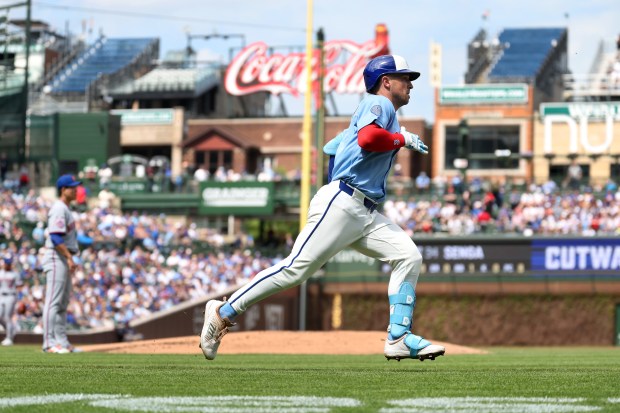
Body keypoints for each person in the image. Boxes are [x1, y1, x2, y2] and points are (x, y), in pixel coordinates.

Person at [200, 54, 445, 362]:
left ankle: (398, 336)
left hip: (364, 211)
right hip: (345, 202)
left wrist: (369, 145)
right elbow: (369, 139)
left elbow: (333, 149)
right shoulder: (378, 103)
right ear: (386, 82)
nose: (410, 83)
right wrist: (400, 139)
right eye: (404, 77)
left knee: (408, 256)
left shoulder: (382, 111)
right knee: (295, 270)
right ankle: (223, 312)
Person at [41, 175, 82, 354]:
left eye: (75, 187)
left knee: (62, 303)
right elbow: (55, 236)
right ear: (62, 190)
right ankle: (49, 343)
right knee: (53, 301)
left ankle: (61, 342)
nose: (75, 190)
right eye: (71, 187)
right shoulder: (58, 208)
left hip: (63, 257)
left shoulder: (65, 208)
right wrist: (68, 257)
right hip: (57, 256)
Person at [0, 257, 18, 346]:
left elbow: (19, 286)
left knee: (7, 317)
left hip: (10, 296)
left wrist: (17, 299)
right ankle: (11, 329)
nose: (7, 265)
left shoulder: (14, 274)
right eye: (6, 263)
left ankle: (9, 338)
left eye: (9, 263)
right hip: (1, 296)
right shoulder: (1, 273)